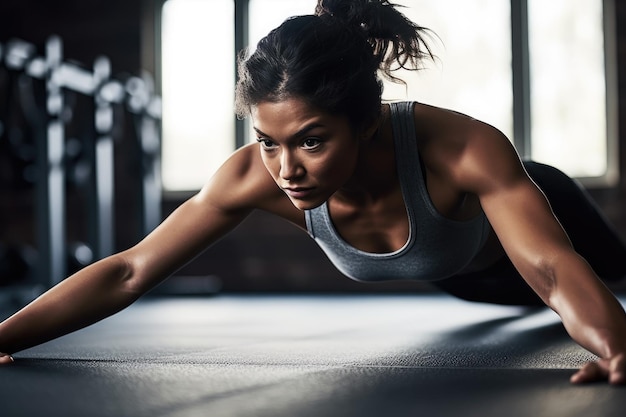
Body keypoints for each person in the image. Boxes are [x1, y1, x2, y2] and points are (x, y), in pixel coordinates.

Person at [1, 0, 625, 384]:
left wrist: (617, 350)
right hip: (457, 273)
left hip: (544, 229)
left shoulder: (462, 147)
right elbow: (130, 271)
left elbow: (546, 268)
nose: (286, 169)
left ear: (368, 121)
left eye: (311, 141)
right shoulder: (253, 176)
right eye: (269, 141)